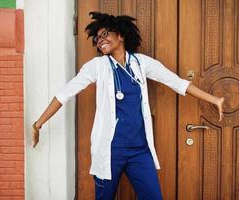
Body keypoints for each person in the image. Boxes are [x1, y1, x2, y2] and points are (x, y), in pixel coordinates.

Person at [31, 12, 224, 200]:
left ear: (120, 35)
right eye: (97, 39)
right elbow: (65, 93)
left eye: (104, 34)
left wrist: (214, 100)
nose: (100, 40)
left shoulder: (142, 63)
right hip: (110, 150)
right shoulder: (97, 67)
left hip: (139, 150)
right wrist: (38, 124)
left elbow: (178, 83)